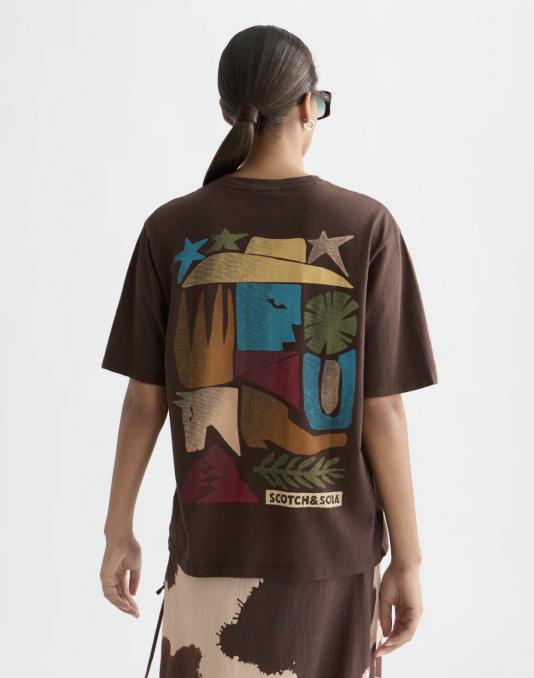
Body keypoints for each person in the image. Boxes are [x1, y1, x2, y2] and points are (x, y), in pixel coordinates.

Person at [100, 24, 437, 678]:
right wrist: (409, 559)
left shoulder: (170, 228)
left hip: (209, 558)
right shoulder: (367, 225)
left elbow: (144, 400)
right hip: (331, 565)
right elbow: (382, 411)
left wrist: (118, 531)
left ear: (227, 111)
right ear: (309, 105)